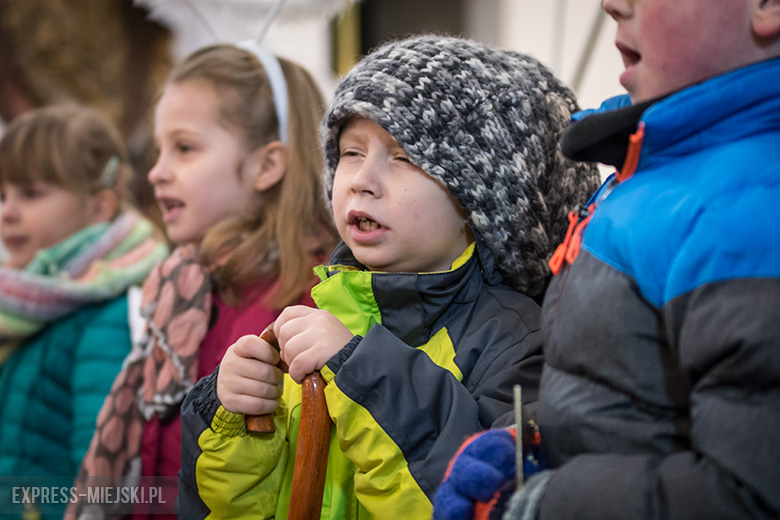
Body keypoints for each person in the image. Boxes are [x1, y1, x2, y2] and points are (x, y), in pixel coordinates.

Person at [177, 35, 601, 519]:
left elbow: (471, 496)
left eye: (404, 157)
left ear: (481, 202)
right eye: (350, 153)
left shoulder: (515, 345)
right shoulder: (319, 317)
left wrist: (365, 372)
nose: (361, 178)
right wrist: (229, 418)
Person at [434, 0, 780, 519]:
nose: (611, 3)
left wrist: (547, 503)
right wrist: (536, 443)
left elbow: (749, 495)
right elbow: (628, 396)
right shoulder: (653, 169)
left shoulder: (751, 207)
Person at [67, 44, 338, 519]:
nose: (156, 172)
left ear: (266, 166)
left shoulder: (315, 299)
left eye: (185, 148)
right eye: (158, 150)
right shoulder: (180, 287)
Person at [0, 103, 168, 519]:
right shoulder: (26, 305)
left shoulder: (110, 315)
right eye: (2, 194)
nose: (8, 211)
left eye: (31, 193)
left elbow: (99, 478)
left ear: (99, 207)